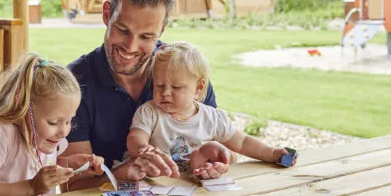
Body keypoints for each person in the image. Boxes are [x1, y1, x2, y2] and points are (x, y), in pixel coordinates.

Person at [65, 0, 229, 184]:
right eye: (122, 30)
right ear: (107, 15)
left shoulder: (184, 73)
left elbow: (216, 147)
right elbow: (72, 185)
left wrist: (213, 163)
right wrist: (122, 173)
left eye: (146, 36)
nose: (131, 47)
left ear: (162, 29)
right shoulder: (73, 84)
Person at [127, 42, 296, 179]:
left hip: (196, 186)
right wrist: (144, 149)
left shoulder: (212, 118)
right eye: (159, 85)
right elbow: (135, 137)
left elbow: (243, 142)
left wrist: (272, 153)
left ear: (199, 88)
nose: (165, 93)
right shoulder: (149, 112)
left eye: (176, 87)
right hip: (157, 185)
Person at [0, 53, 103, 196]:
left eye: (69, 121)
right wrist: (32, 187)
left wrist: (72, 165)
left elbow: (39, 165)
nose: (64, 132)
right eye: (53, 122)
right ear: (24, 108)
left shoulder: (46, 138)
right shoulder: (0, 132)